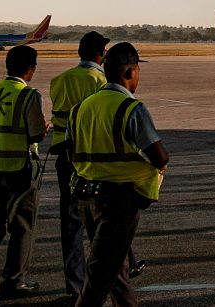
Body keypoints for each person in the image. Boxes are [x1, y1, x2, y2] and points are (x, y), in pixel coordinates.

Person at [67, 42, 169, 307]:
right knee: (99, 277)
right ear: (128, 72)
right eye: (136, 70)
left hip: (87, 197)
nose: (138, 76)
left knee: (117, 269)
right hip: (119, 199)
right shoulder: (130, 108)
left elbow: (71, 153)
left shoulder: (81, 108)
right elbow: (159, 156)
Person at [0, 45, 47, 299]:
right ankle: (14, 281)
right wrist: (45, 128)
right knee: (21, 225)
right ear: (31, 69)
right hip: (18, 168)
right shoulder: (29, 95)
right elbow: (35, 133)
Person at [49, 31, 109, 299]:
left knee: (71, 222)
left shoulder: (59, 80)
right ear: (100, 54)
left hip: (64, 156)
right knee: (103, 220)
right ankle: (104, 279)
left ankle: (74, 285)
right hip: (92, 157)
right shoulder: (100, 81)